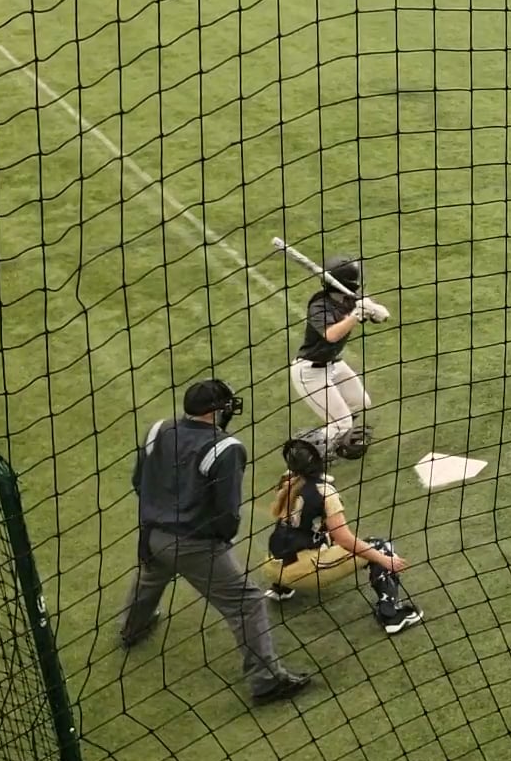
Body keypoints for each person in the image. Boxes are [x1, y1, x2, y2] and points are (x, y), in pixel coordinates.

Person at [117, 379, 314, 705]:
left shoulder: (157, 430)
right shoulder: (227, 448)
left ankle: (131, 629)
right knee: (247, 603)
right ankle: (266, 682)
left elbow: (139, 481)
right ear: (215, 411)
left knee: (151, 575)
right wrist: (219, 540)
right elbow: (227, 511)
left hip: (151, 535)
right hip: (194, 544)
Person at [262, 438, 424, 635]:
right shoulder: (325, 492)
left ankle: (281, 588)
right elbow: (344, 539)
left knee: (309, 533)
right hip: (302, 572)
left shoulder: (287, 481)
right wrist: (384, 560)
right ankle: (391, 616)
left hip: (272, 564)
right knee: (380, 547)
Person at [288, 256, 390, 459]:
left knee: (360, 402)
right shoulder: (319, 306)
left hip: (335, 365)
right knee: (343, 423)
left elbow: (381, 316)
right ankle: (307, 453)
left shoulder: (350, 298)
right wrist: (356, 315)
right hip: (310, 372)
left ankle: (335, 437)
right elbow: (331, 335)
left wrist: (376, 311)